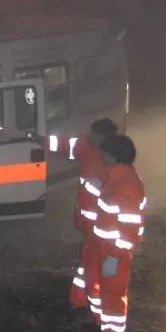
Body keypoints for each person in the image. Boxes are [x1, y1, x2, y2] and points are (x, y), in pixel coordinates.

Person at [50, 119, 118, 313]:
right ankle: (80, 299)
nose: (89, 137)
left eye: (93, 135)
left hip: (103, 230)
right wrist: (39, 138)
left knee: (97, 267)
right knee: (88, 263)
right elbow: (66, 145)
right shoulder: (90, 148)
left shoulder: (114, 164)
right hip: (92, 226)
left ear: (103, 137)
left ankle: (94, 307)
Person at [88, 134, 146, 332]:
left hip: (115, 252)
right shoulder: (114, 177)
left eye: (105, 153)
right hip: (103, 246)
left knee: (113, 294)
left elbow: (129, 231)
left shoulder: (128, 187)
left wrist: (114, 257)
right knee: (101, 288)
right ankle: (103, 325)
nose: (101, 156)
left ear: (115, 156)